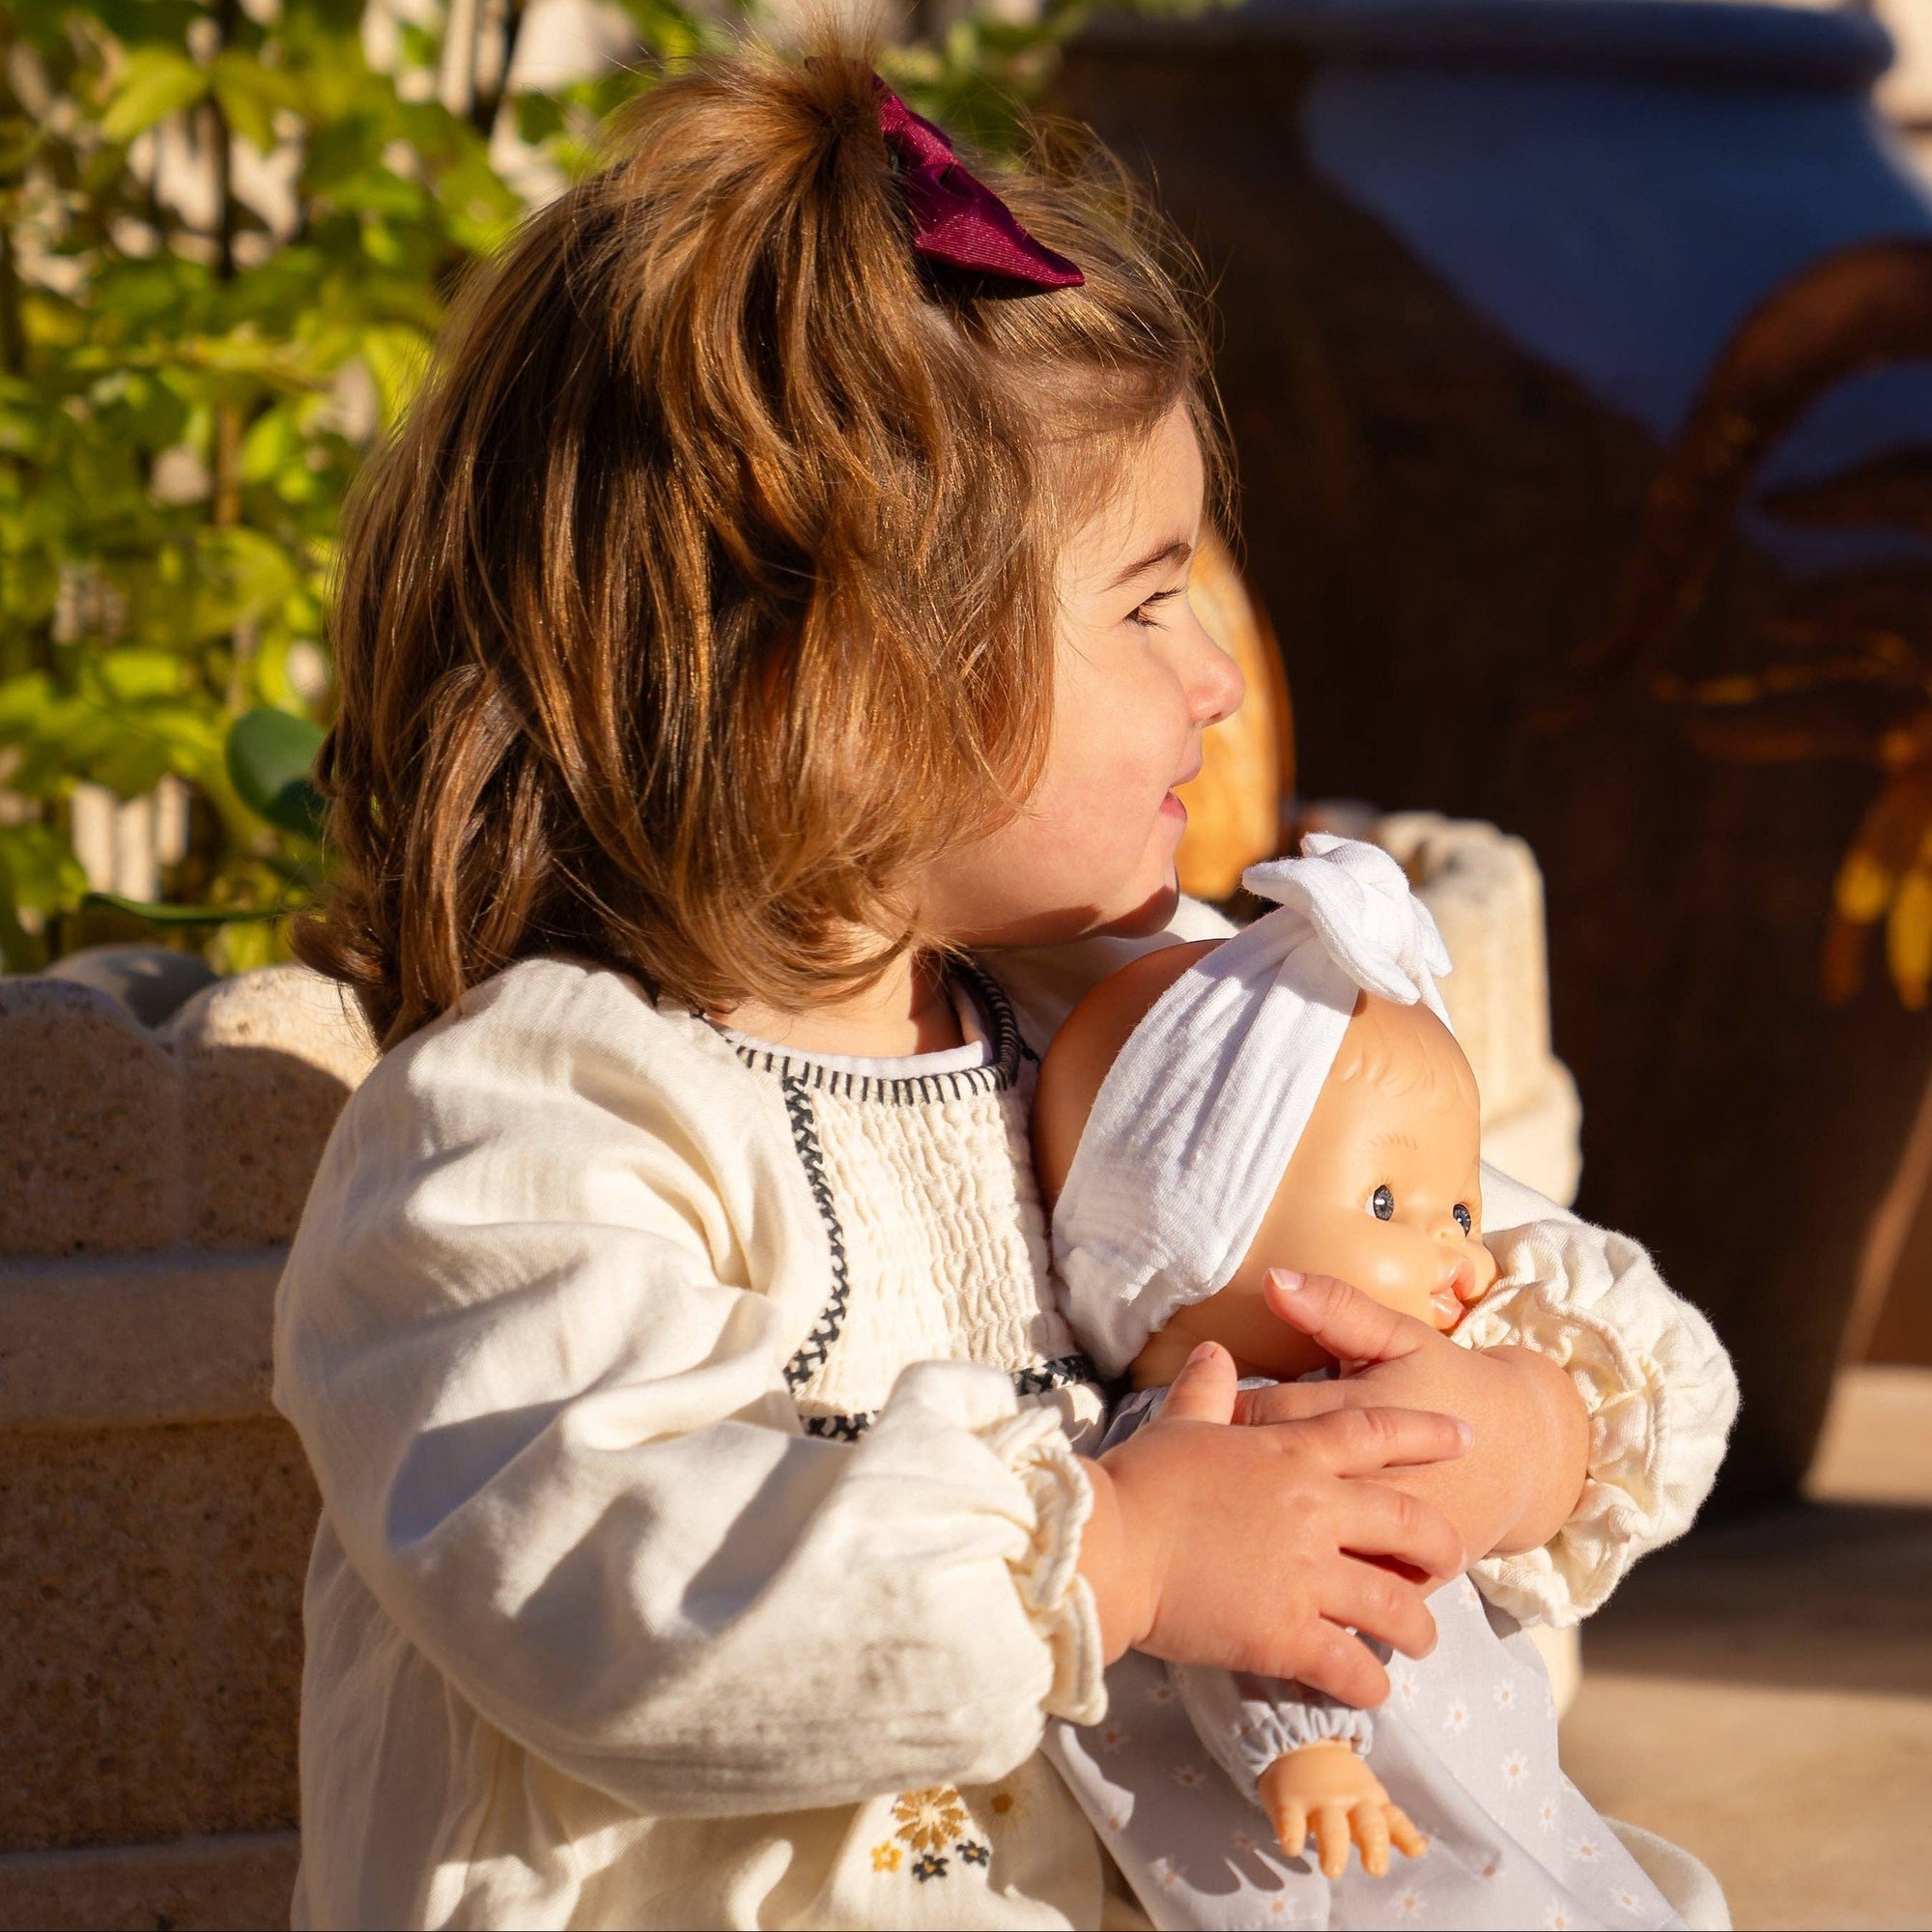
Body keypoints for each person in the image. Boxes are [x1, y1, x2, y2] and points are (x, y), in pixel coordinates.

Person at [273, 41, 1736, 1929]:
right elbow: (609, 1590)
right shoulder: (531, 1132)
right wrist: (1113, 1552)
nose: (1215, 677)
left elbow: (1600, 1328)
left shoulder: (1110, 1026)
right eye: (1145, 599)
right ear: (845, 660)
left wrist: (1489, 1433)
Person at [1035, 836, 1734, 1929]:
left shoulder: (1360, 1401)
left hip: (1488, 1815)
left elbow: (1659, 1376)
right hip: (1358, 1851)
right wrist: (1299, 1745)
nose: (1465, 1256)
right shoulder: (1214, 1439)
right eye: (1385, 1207)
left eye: (1458, 1209)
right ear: (1185, 1251)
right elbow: (1249, 1612)